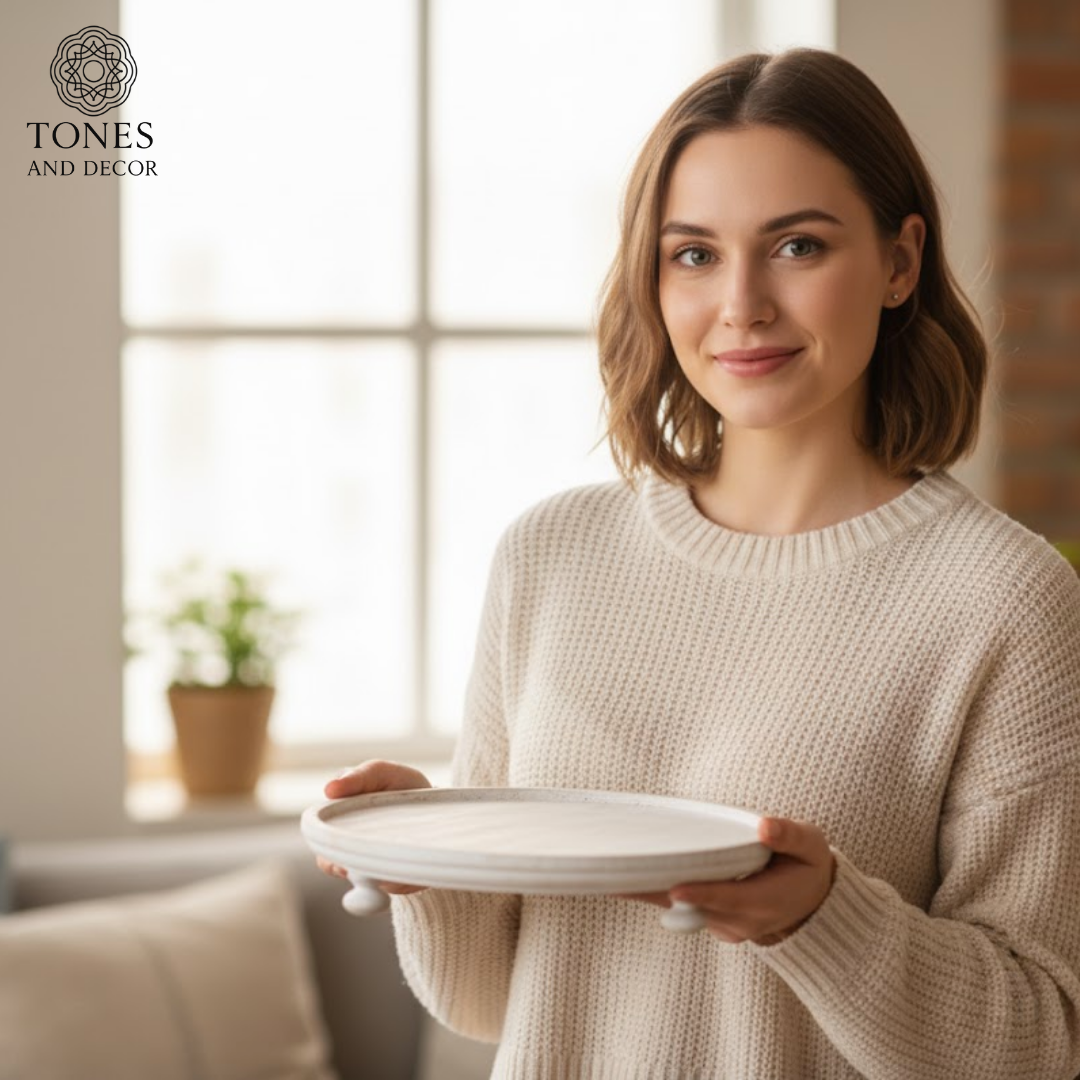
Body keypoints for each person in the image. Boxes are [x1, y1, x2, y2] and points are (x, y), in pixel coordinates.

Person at [319, 47, 1080, 1079]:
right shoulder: (551, 557)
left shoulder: (1007, 600)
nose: (742, 305)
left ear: (901, 262)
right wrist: (426, 862)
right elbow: (490, 1002)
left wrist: (819, 915)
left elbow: (1041, 1039)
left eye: (798, 246)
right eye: (693, 255)